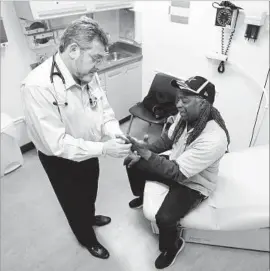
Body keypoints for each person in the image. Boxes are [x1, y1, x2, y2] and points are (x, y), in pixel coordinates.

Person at [21, 17, 131, 260]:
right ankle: (86, 237)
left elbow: (105, 112)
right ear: (73, 50)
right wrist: (104, 149)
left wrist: (115, 134)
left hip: (90, 150)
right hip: (60, 159)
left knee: (89, 190)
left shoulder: (88, 75)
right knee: (72, 202)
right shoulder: (38, 86)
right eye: (96, 58)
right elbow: (57, 143)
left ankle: (89, 217)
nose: (98, 66)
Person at [124, 76, 230, 269]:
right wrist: (144, 148)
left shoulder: (214, 138)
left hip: (194, 182)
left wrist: (147, 154)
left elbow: (177, 173)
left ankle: (171, 247)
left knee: (164, 218)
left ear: (204, 104)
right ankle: (141, 195)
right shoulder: (185, 117)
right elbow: (167, 141)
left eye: (185, 100)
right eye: (178, 98)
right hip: (178, 164)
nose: (179, 104)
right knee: (133, 163)